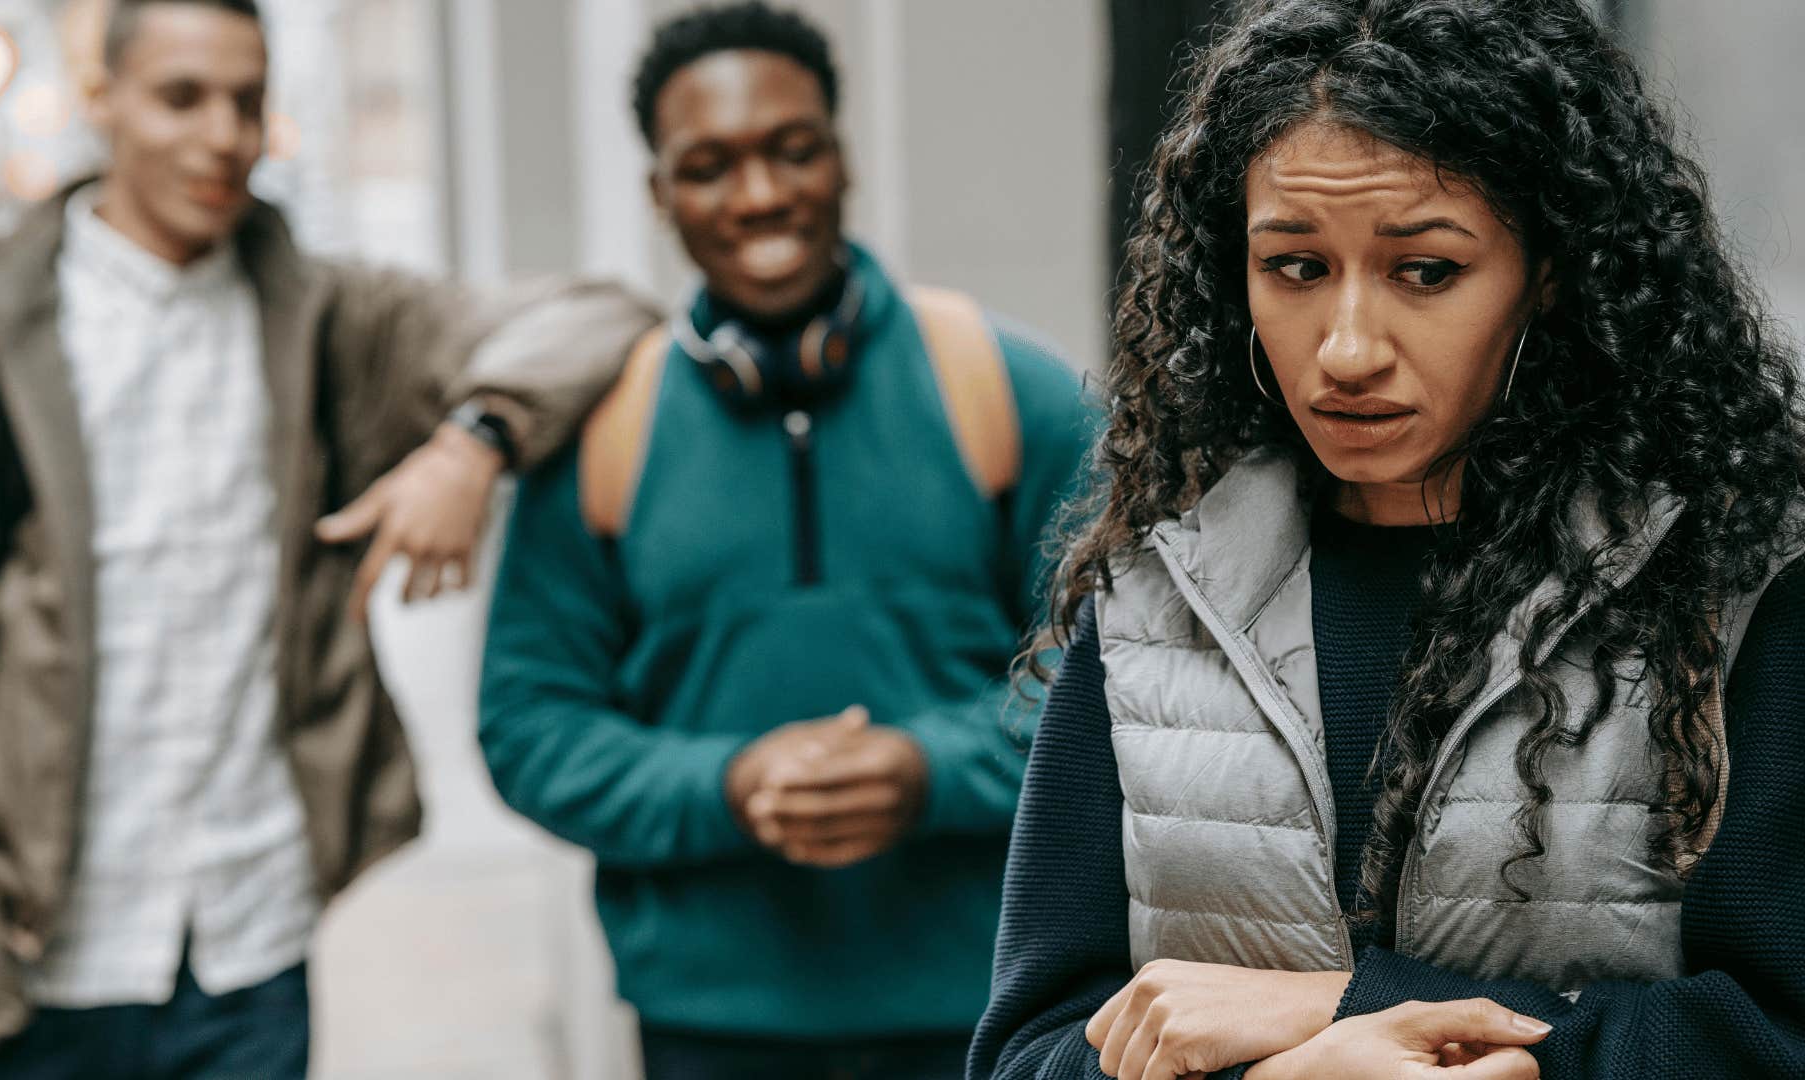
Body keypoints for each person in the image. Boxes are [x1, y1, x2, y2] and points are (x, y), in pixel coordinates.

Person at [968, 1, 1805, 1078]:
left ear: (1546, 272)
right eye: (1298, 268)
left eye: (1426, 272)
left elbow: (1776, 1039)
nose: (1350, 349)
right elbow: (1024, 1057)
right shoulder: (1156, 600)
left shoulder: (1729, 587)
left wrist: (1350, 1005)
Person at [0, 1, 654, 1076]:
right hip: (41, 966)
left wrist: (471, 444)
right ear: (101, 102)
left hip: (250, 950)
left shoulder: (323, 316)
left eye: (248, 102)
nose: (223, 136)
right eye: (181, 97)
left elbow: (601, 314)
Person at [477, 4, 1097, 1078]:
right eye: (710, 165)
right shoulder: (600, 435)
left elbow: (1117, 678)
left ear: (841, 156)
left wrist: (926, 769)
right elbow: (530, 724)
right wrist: (729, 784)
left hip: (992, 1007)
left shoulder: (1013, 392)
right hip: (709, 1026)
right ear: (658, 193)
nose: (760, 194)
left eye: (791, 149)